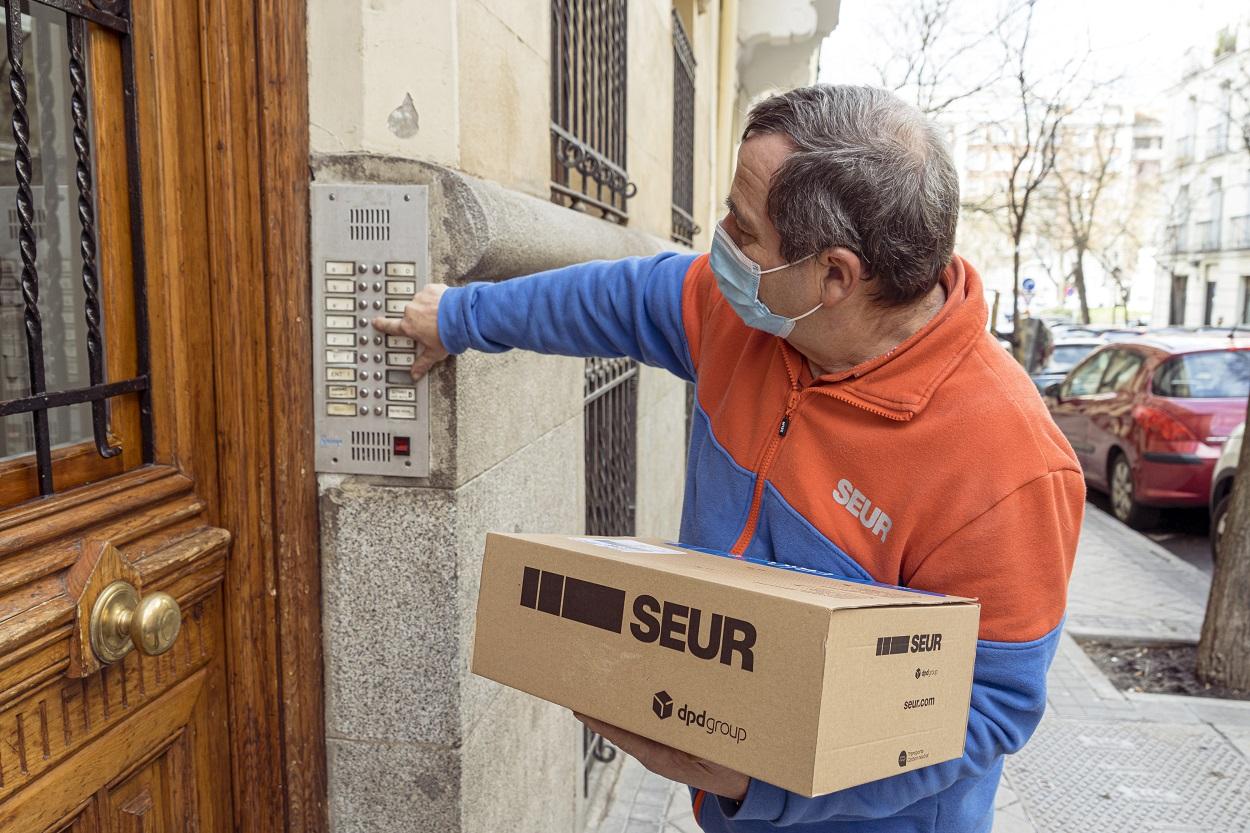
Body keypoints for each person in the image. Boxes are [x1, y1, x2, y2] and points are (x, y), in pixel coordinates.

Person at [374, 84, 1084, 833]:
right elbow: (617, 298)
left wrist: (758, 781)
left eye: (745, 230)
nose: (721, 241)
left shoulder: (1010, 467)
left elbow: (989, 708)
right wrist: (460, 317)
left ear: (834, 277)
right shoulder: (748, 315)